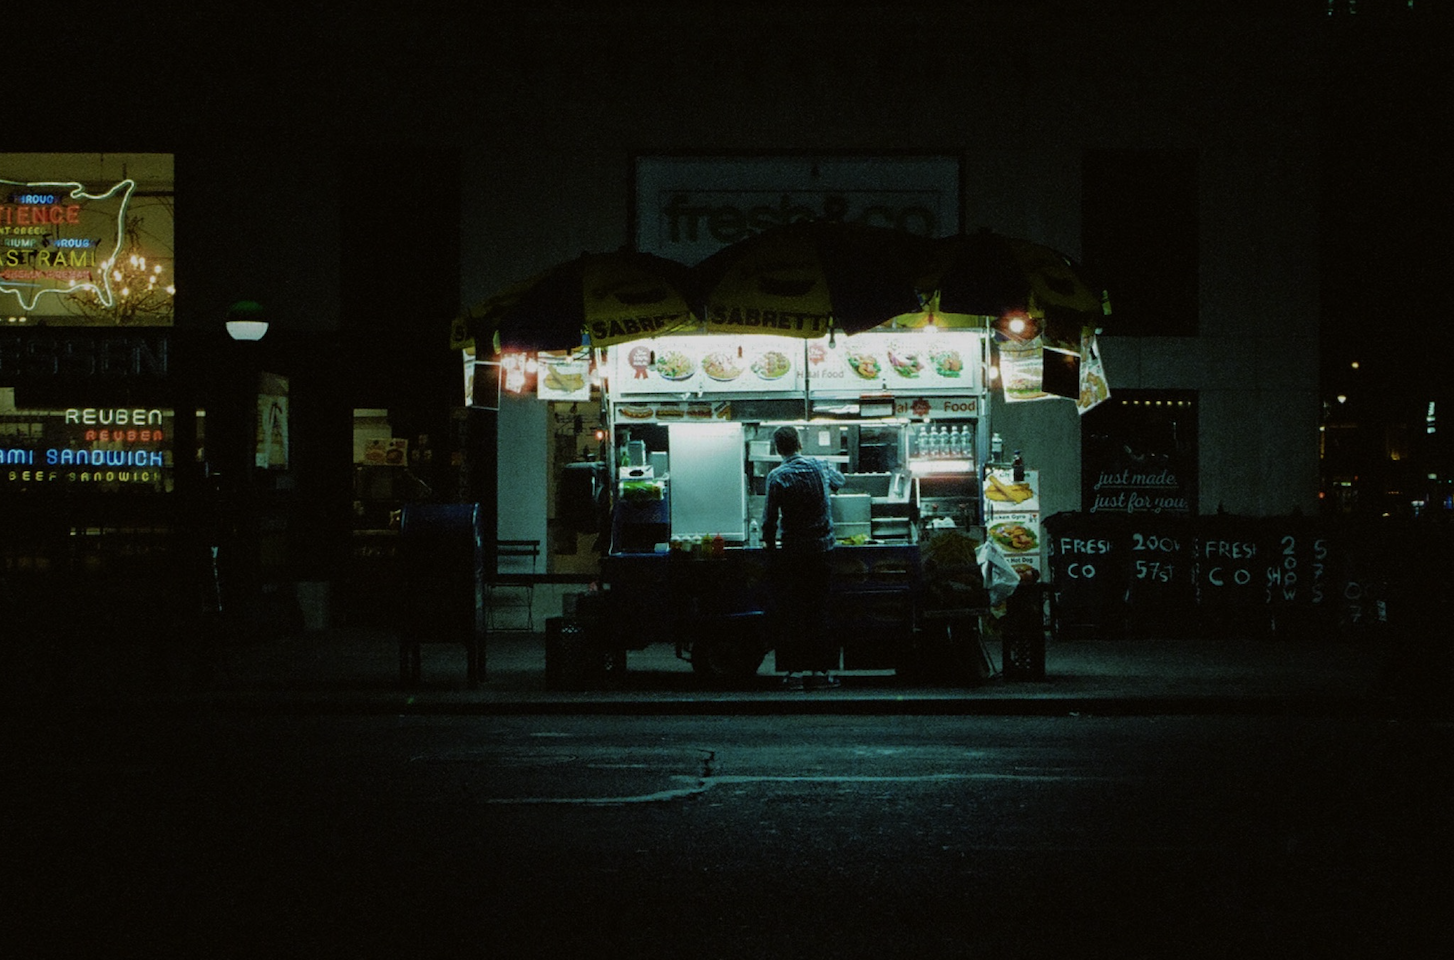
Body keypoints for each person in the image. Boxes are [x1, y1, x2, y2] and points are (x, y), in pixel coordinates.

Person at [761, 425, 845, 689]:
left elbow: (769, 520)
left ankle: (794, 674)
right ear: (799, 443)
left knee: (794, 612)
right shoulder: (819, 466)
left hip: (794, 554)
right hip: (822, 552)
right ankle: (821, 673)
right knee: (819, 611)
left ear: (777, 448)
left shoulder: (776, 476)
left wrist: (770, 548)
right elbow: (840, 483)